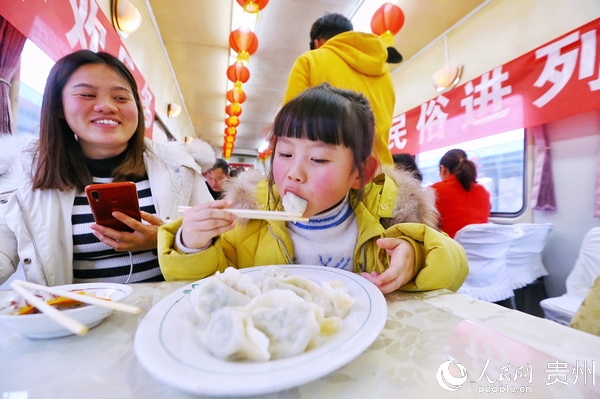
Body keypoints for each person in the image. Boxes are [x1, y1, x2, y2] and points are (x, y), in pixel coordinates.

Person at [158, 83, 467, 294]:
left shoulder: (387, 224)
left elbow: (456, 267)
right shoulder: (249, 223)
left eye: (318, 158)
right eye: (285, 153)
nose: (294, 173)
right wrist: (191, 244)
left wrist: (416, 256)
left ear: (359, 174)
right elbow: (204, 288)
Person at [0, 50, 215, 286]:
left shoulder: (178, 166)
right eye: (87, 95)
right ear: (59, 108)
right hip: (75, 317)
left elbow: (218, 243)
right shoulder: (26, 174)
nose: (106, 106)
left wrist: (167, 239)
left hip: (165, 313)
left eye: (121, 98)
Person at [282, 13, 395, 167]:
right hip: (380, 172)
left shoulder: (310, 60)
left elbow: (289, 126)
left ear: (317, 42)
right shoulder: (384, 75)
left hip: (329, 174)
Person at [431, 149, 491, 238]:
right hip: (480, 249)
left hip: (450, 249)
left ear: (443, 169)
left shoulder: (435, 190)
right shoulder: (482, 191)